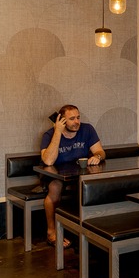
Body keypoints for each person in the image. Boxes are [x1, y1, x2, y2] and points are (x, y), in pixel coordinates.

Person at [40, 104, 105, 248]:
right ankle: (51, 232)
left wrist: (97, 157)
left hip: (79, 174)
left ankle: (88, 230)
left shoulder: (87, 129)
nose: (77, 122)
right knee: (55, 187)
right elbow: (48, 161)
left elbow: (100, 151)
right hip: (56, 175)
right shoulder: (49, 135)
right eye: (72, 119)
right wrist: (58, 132)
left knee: (95, 185)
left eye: (78, 117)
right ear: (61, 120)